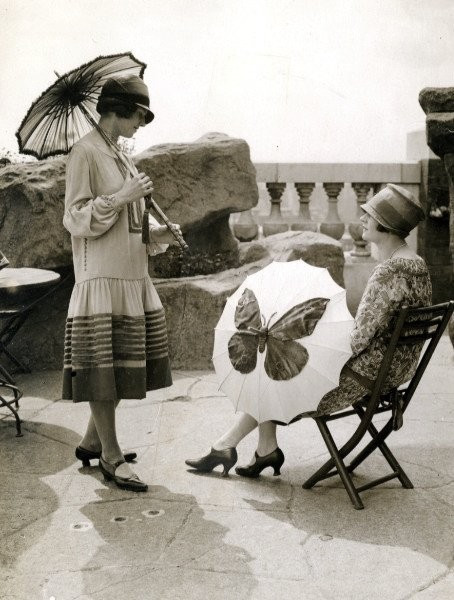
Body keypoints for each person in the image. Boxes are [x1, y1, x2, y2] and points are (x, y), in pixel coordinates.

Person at [185, 183, 432, 478]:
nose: (363, 218)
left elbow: (357, 340)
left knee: (277, 362)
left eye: (370, 214)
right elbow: (373, 331)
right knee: (278, 351)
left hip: (363, 377)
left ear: (387, 226)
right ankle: (263, 450)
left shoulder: (388, 272)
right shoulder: (417, 266)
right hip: (391, 372)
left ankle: (229, 445)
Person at [62, 74, 182, 492]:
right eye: (138, 116)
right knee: (102, 369)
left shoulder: (119, 154)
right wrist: (124, 195)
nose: (140, 125)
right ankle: (110, 457)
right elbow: (76, 217)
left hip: (132, 274)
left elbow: (131, 223)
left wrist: (160, 234)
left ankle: (92, 442)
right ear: (117, 110)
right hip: (102, 278)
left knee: (115, 366)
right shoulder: (85, 153)